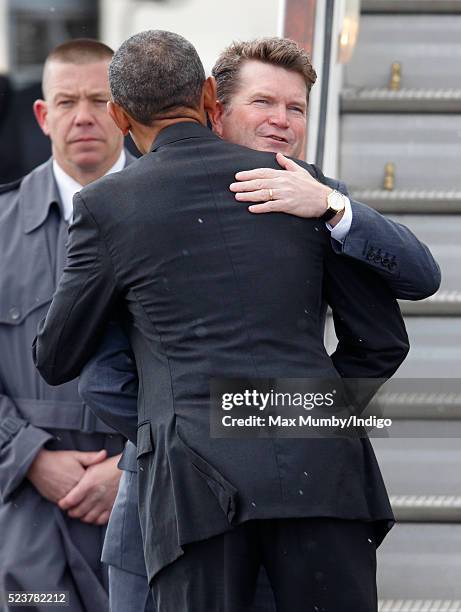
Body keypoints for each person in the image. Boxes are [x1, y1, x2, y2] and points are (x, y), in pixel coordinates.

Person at [33, 30, 415, 611]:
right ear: (212, 96)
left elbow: (66, 361)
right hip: (322, 476)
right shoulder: (304, 192)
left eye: (294, 108)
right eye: (264, 103)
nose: (281, 121)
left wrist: (177, 431)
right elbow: (383, 340)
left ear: (116, 114)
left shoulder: (109, 207)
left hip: (194, 492)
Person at [0, 39, 133, 612]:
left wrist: (135, 467)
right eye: (67, 101)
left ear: (124, 111)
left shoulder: (187, 221)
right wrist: (29, 456)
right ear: (43, 114)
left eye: (100, 101)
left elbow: (216, 360)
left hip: (149, 506)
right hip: (28, 512)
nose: (83, 116)